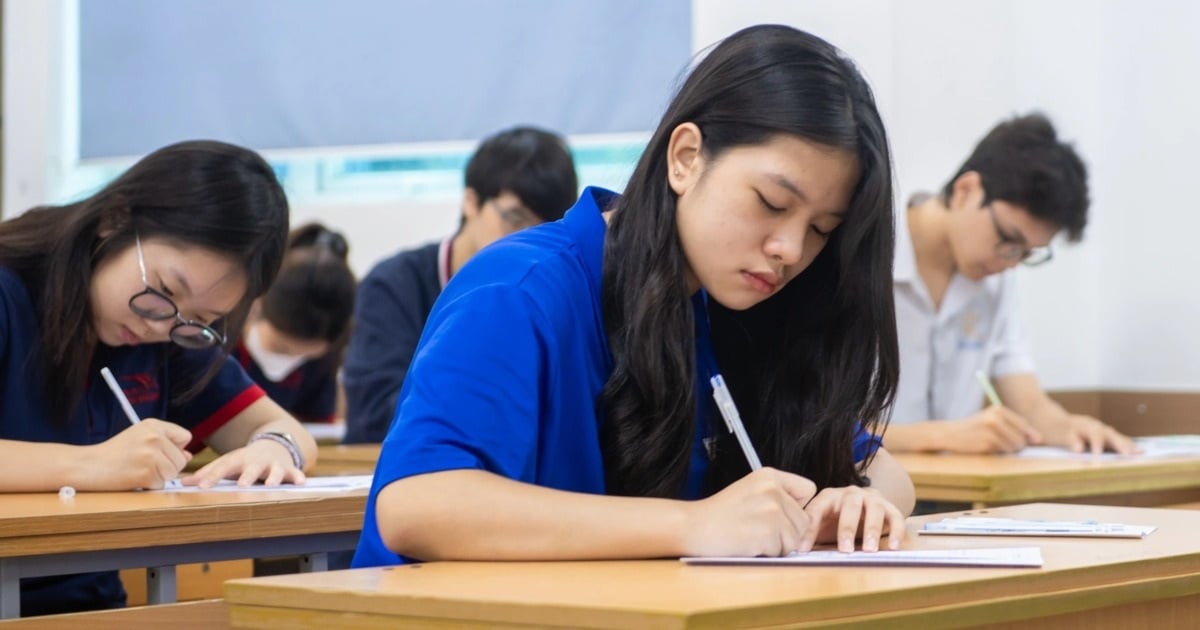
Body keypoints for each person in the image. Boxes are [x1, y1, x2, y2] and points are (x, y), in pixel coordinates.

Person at [352, 24, 915, 569]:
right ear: (686, 158)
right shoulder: (521, 288)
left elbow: (885, 470)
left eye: (821, 229)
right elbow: (415, 504)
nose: (790, 249)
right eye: (771, 203)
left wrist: (855, 503)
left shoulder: (738, 303)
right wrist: (693, 524)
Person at [0, 140, 319, 616]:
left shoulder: (169, 338)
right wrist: (93, 466)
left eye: (200, 318)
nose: (160, 325)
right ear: (116, 219)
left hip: (91, 609)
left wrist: (274, 449)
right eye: (164, 290)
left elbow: (288, 432)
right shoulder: (10, 293)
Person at [883, 113, 1135, 455]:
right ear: (966, 190)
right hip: (854, 491)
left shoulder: (995, 280)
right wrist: (940, 436)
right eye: (1008, 240)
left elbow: (1028, 404)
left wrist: (1072, 428)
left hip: (958, 491)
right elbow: (821, 428)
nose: (1009, 263)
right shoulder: (866, 255)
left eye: (1027, 254)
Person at [341, 125, 578, 444]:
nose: (529, 237)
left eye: (547, 226)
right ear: (471, 201)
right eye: (514, 217)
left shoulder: (553, 296)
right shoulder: (394, 285)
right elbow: (376, 412)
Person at [235, 223, 356, 423]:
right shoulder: (222, 346)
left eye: (307, 353)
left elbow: (319, 424)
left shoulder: (322, 363)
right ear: (258, 303)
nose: (292, 358)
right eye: (281, 348)